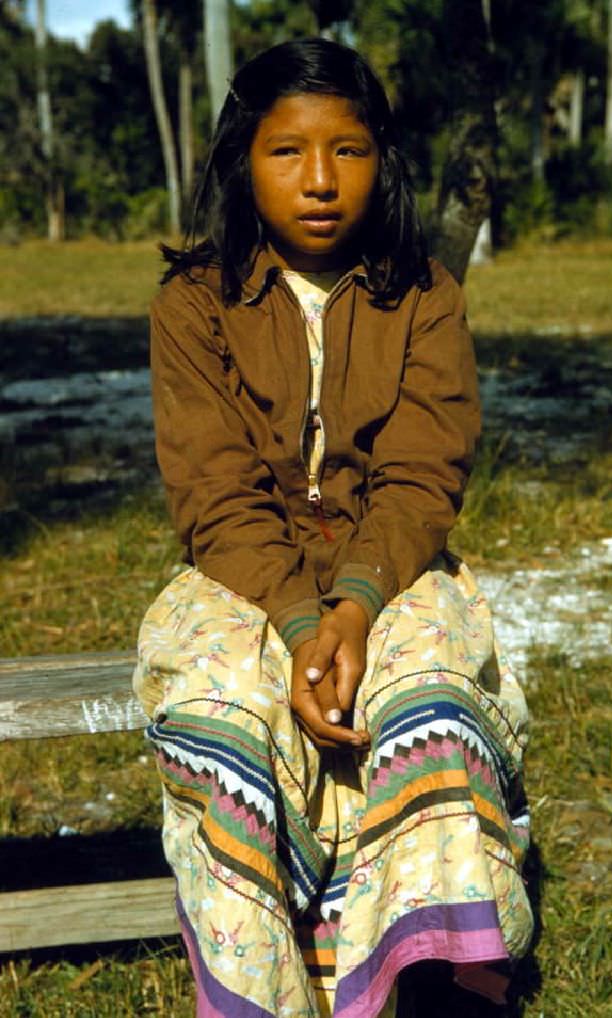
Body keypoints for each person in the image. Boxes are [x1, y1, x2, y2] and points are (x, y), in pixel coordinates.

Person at [133, 37, 533, 1018]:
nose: (320, 179)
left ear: (379, 160)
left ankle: (438, 976)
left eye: (348, 151)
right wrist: (301, 623)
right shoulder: (193, 303)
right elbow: (215, 493)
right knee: (225, 700)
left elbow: (418, 476)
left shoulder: (427, 296)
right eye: (288, 152)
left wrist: (354, 605)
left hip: (389, 566)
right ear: (243, 161)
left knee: (428, 682)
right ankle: (263, 984)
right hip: (242, 575)